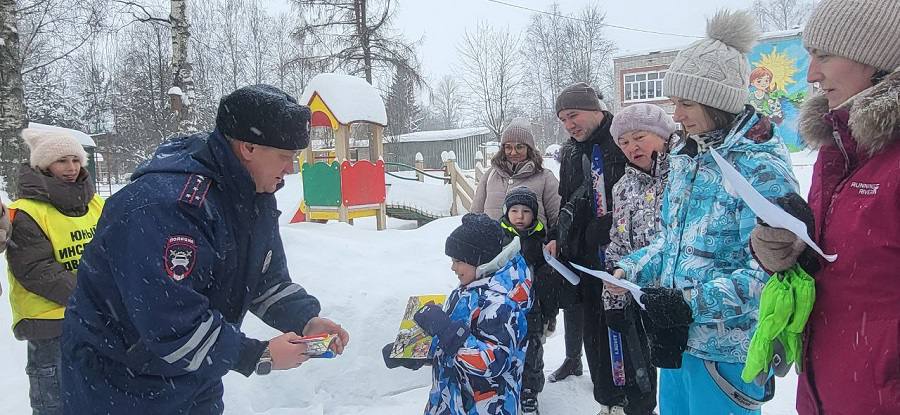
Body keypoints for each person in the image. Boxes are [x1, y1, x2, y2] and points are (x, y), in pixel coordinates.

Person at [60, 84, 350, 414]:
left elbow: (264, 281)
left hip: (192, 374)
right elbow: (171, 323)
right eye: (285, 157)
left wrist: (305, 319)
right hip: (120, 381)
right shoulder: (166, 207)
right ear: (249, 147)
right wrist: (258, 355)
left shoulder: (252, 195)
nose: (290, 169)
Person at [610, 10, 799, 414]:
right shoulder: (686, 157)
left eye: (685, 103)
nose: (675, 115)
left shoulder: (760, 170)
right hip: (679, 340)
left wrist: (689, 303)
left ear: (718, 102)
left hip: (729, 352)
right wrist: (630, 269)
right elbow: (671, 240)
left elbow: (770, 275)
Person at [749, 1, 900, 413]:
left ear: (877, 60)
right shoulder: (837, 150)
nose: (812, 73)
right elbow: (842, 266)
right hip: (826, 391)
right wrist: (786, 248)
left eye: (825, 56)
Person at [382, 213, 533, 415]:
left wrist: (445, 329)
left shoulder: (503, 305)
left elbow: (493, 362)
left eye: (459, 261)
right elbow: (454, 343)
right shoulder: (468, 289)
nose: (453, 267)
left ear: (480, 260)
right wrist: (417, 352)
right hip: (448, 402)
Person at [5, 128, 103, 415]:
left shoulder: (95, 203)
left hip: (93, 319)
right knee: (54, 405)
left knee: (93, 399)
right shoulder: (26, 212)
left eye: (75, 160)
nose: (71, 168)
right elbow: (36, 270)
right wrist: (94, 294)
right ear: (43, 165)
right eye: (61, 161)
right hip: (49, 327)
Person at [551, 82, 627, 413]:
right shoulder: (569, 152)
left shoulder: (622, 140)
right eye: (562, 119)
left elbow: (644, 190)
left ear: (595, 110)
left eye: (573, 116)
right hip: (582, 258)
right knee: (593, 336)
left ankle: (630, 400)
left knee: (623, 333)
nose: (569, 125)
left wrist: (612, 223)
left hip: (621, 258)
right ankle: (606, 400)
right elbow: (566, 198)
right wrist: (558, 235)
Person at [601, 103, 679, 414]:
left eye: (639, 137)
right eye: (624, 142)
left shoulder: (685, 174)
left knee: (677, 380)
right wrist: (614, 300)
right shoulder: (623, 186)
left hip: (677, 296)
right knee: (641, 377)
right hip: (637, 294)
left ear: (662, 135)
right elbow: (618, 242)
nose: (632, 147)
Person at [497, 187, 555, 414]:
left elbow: (549, 280)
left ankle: (530, 391)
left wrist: (549, 314)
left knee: (532, 351)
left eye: (525, 211)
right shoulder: (498, 238)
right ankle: (506, 386)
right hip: (503, 308)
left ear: (534, 214)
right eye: (514, 210)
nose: (519, 216)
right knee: (505, 349)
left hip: (532, 309)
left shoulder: (540, 241)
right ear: (506, 212)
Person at [472, 118, 561, 230]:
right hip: (493, 246)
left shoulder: (545, 177)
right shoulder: (490, 175)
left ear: (529, 149)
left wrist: (554, 240)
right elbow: (475, 216)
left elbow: (557, 218)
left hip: (533, 245)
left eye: (519, 147)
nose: (513, 152)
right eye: (508, 147)